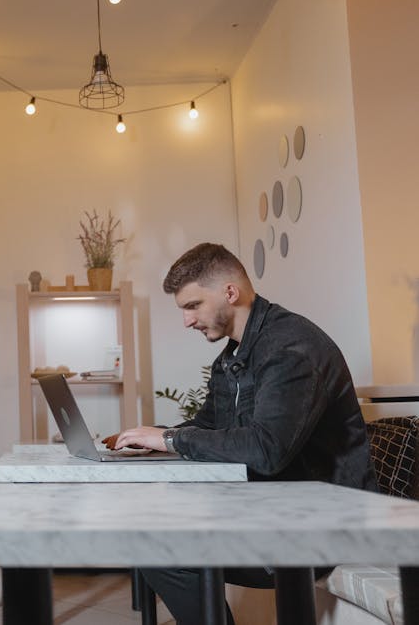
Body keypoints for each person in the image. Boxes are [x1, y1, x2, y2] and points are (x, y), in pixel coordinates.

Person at [111, 242, 377, 625]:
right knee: (148, 533)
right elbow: (208, 424)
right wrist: (149, 439)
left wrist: (169, 440)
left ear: (230, 293)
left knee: (162, 550)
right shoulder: (233, 357)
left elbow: (266, 449)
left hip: (323, 526)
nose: (187, 321)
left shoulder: (290, 349)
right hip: (273, 513)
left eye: (192, 306)